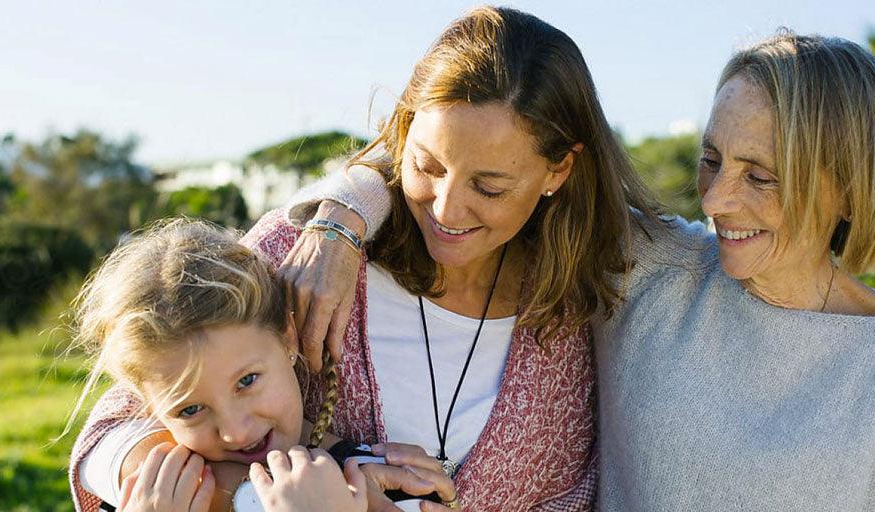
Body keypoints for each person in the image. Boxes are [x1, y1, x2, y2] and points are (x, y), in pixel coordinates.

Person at [286, 31, 875, 510]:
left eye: (760, 176)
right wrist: (341, 220)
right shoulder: (649, 269)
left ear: (850, 187)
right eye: (712, 160)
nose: (716, 200)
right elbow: (465, 150)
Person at [70, 6, 660, 511]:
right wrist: (268, 493)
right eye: (427, 165)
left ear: (559, 169)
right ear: (404, 130)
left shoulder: (579, 302)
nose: (446, 208)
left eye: (489, 186)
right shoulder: (303, 252)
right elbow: (119, 424)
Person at [64, 218, 373, 512]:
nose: (236, 433)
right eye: (190, 410)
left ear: (288, 338)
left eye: (247, 381)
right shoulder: (145, 499)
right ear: (148, 408)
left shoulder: (378, 483)